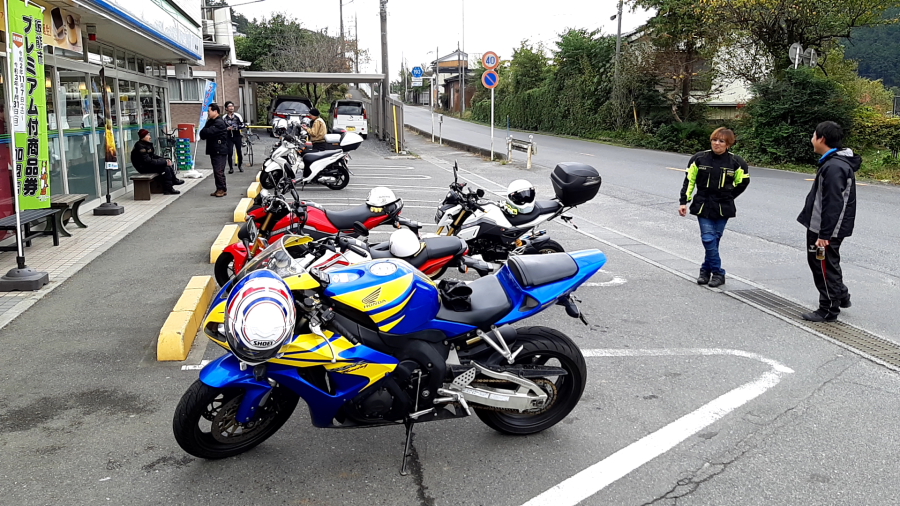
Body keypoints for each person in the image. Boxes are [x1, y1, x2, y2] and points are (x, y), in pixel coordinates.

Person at [797, 121, 860, 322]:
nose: (811, 139)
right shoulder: (834, 162)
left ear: (821, 139)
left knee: (823, 266)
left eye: (813, 135)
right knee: (826, 264)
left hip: (825, 229)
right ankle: (840, 294)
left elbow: (833, 203)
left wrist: (824, 234)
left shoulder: (834, 167)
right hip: (824, 226)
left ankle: (828, 309)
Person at [679, 127, 750, 288]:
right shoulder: (699, 158)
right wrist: (684, 201)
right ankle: (718, 272)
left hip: (723, 206)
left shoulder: (737, 162)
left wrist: (729, 195)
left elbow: (743, 182)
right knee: (708, 238)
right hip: (703, 204)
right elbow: (689, 181)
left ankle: (705, 270)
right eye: (714, 140)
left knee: (714, 239)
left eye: (721, 141)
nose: (717, 143)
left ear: (728, 144)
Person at [130, 128, 183, 195]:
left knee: (167, 166)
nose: (150, 137)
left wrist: (164, 160)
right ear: (143, 137)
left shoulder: (146, 144)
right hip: (143, 167)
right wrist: (164, 162)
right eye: (148, 135)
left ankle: (173, 182)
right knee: (165, 168)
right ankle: (168, 189)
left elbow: (152, 156)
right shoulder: (140, 146)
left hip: (147, 165)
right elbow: (147, 161)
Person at [199, 103, 229, 197]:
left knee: (218, 170)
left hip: (219, 149)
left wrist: (206, 131)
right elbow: (202, 133)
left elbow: (208, 132)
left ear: (215, 111)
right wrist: (205, 131)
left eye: (209, 111)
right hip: (214, 149)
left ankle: (222, 189)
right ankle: (219, 188)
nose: (208, 113)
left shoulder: (219, 122)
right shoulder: (210, 121)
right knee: (217, 170)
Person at [223, 101, 244, 174]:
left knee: (239, 151)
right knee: (230, 152)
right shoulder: (224, 117)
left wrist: (236, 127)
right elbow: (222, 127)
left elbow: (243, 125)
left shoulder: (238, 116)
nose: (231, 108)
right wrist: (227, 128)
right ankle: (231, 168)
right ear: (226, 108)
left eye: (232, 106)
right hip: (229, 137)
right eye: (229, 106)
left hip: (237, 135)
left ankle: (240, 166)